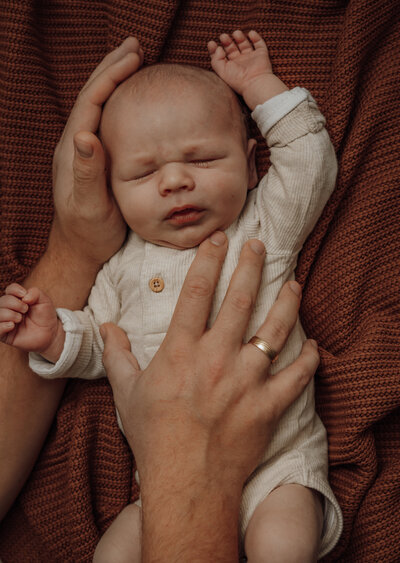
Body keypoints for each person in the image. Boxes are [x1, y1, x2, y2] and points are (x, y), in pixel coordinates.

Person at [0, 31, 342, 561]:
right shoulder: (118, 269)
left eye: (203, 161)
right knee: (111, 555)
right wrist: (54, 337)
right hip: (161, 486)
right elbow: (102, 349)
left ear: (252, 166)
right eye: (143, 172)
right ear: (109, 190)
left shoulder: (265, 227)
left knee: (281, 546)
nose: (176, 181)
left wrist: (260, 87)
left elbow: (309, 163)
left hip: (281, 468)